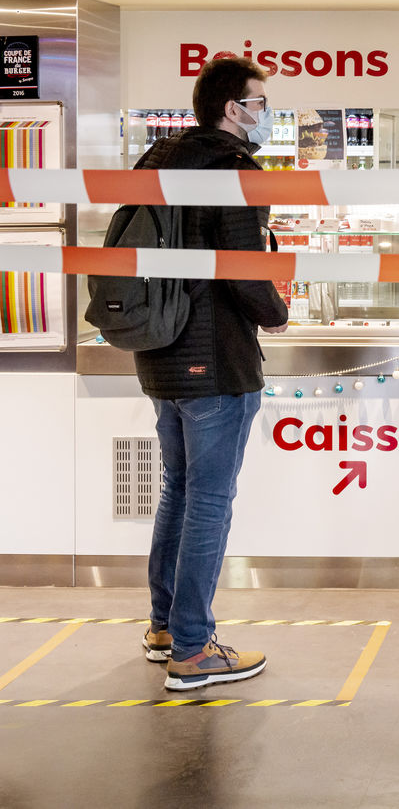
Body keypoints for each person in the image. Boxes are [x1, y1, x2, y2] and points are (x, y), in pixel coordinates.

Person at [133, 57, 289, 691]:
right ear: (234, 108)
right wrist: (276, 314)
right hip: (215, 355)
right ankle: (193, 650)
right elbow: (244, 268)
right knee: (209, 501)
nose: (266, 112)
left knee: (178, 489)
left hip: (158, 350)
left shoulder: (157, 160)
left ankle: (164, 627)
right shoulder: (233, 169)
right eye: (261, 102)